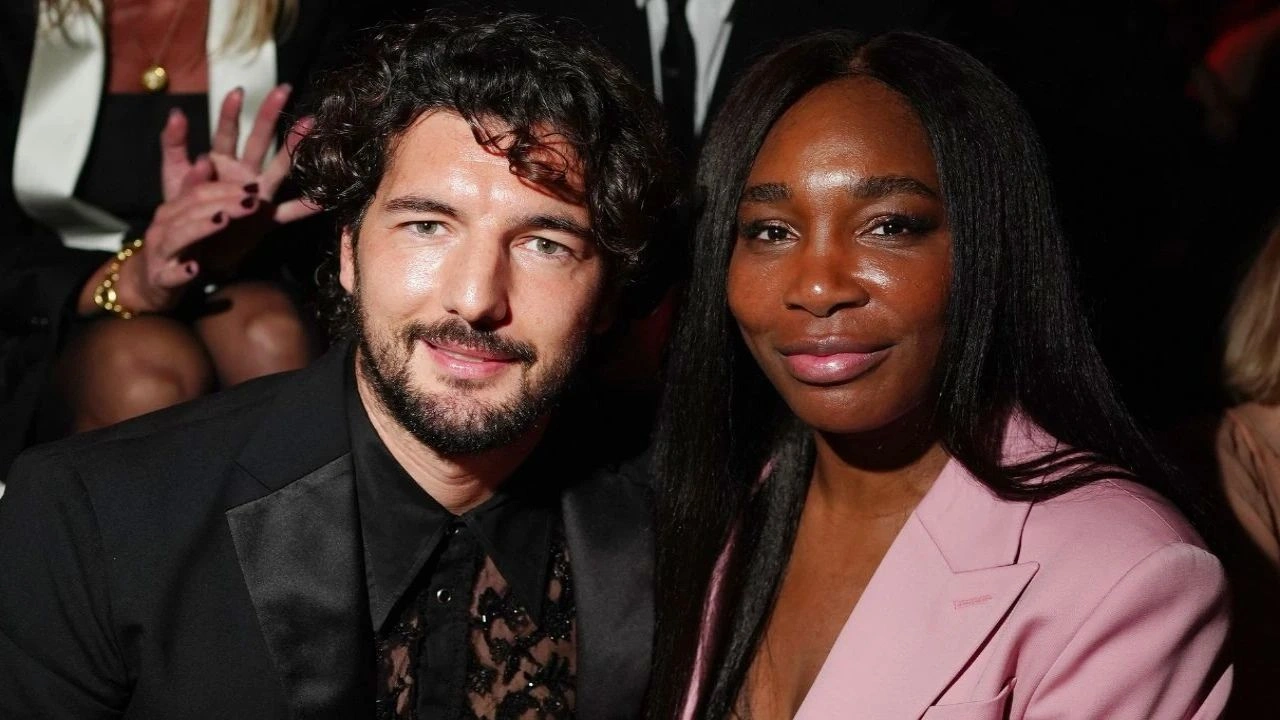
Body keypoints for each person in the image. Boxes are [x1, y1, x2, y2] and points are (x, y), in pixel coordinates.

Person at [0, 11, 676, 718]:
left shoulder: (688, 529)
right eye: (426, 226)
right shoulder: (94, 524)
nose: (475, 299)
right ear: (350, 253)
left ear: (606, 295)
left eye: (545, 243)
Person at [646, 31, 1232, 720]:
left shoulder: (1125, 573)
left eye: (889, 226)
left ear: (988, 248)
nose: (817, 286)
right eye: (771, 231)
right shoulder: (720, 503)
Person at [0, 0, 355, 478]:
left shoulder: (308, 19)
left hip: (248, 275)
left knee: (268, 335)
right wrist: (127, 278)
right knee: (142, 374)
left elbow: (352, 202)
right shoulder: (16, 22)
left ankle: (299, 547)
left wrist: (242, 231)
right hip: (53, 301)